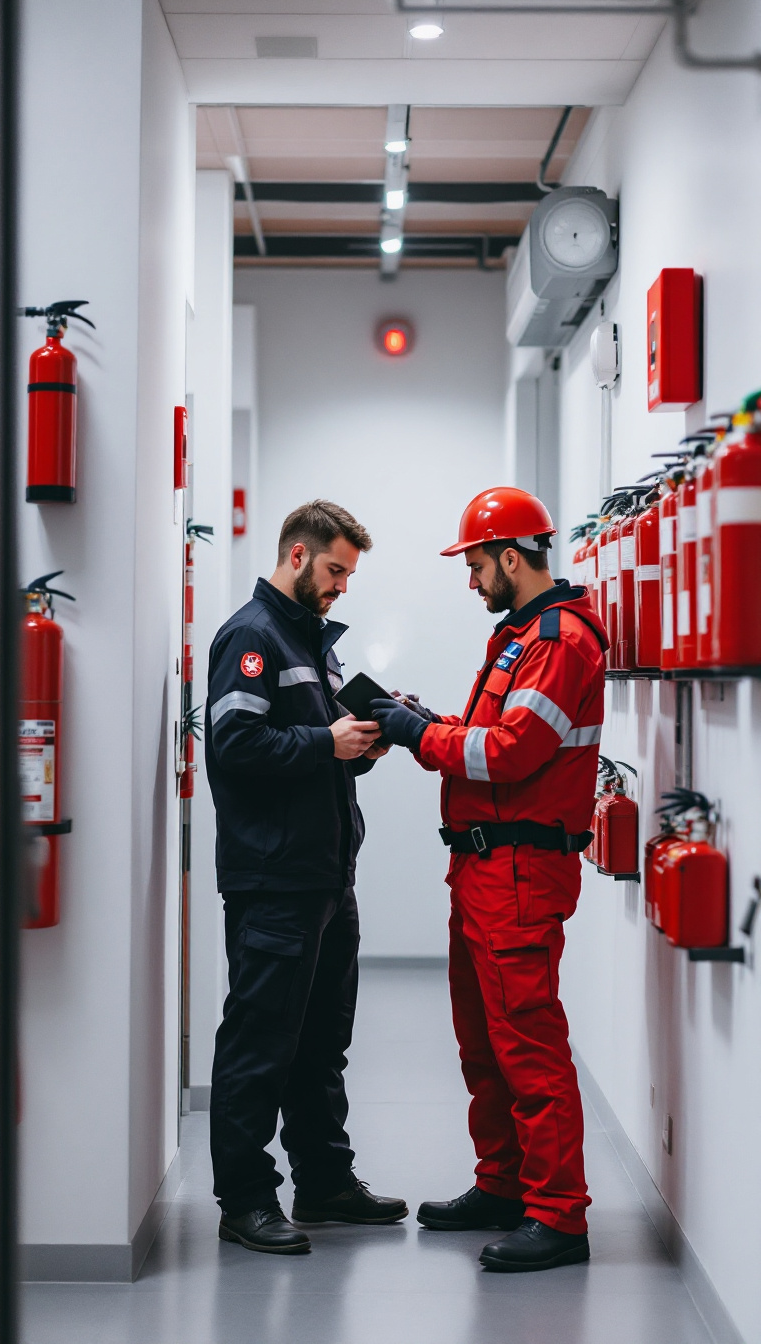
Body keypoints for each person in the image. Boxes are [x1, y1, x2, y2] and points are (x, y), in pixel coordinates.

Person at [371, 486, 607, 1273]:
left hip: (520, 870)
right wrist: (429, 721)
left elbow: (508, 753)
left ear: (511, 557)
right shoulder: (518, 636)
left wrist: (418, 734)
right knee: (483, 1041)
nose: (470, 581)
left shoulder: (559, 640)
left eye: (475, 566)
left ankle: (558, 1217)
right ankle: (503, 1184)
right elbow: (491, 736)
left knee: (527, 1042)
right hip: (481, 865)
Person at [205, 499, 407, 1256]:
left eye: (348, 575)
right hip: (274, 882)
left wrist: (357, 744)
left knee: (323, 1041)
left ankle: (323, 1180)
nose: (341, 587)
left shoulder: (311, 643)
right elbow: (236, 745)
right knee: (260, 1045)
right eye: (334, 571)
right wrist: (326, 742)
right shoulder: (250, 638)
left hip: (326, 876)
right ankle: (246, 1202)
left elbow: (310, 744)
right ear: (296, 556)